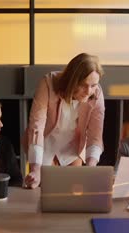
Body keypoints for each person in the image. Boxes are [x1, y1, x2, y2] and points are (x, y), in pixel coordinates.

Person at [24, 53, 105, 189]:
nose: (88, 91)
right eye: (83, 85)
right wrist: (35, 169)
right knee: (39, 192)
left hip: (72, 149)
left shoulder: (96, 94)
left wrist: (91, 168)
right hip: (44, 145)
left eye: (93, 85)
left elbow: (95, 136)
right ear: (72, 80)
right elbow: (36, 126)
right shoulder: (48, 83)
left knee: (72, 195)